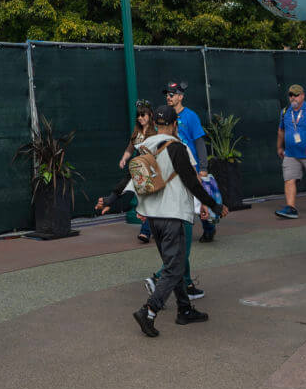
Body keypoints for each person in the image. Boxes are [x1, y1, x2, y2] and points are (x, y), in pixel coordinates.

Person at [97, 106, 227, 337]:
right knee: (175, 267)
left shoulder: (145, 146)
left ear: (156, 124)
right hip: (173, 215)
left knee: (172, 265)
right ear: (175, 124)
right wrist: (214, 205)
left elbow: (130, 177)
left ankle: (185, 310)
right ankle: (149, 310)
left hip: (153, 218)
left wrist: (111, 198)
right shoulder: (177, 147)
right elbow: (192, 183)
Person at [163, 81, 220, 242]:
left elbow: (199, 142)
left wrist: (203, 168)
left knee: (198, 199)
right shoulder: (165, 116)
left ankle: (209, 228)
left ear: (181, 97)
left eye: (172, 95)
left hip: (192, 167)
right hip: (172, 166)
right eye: (167, 94)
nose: (168, 97)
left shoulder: (191, 116)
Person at [275, 83, 306, 219]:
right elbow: (281, 130)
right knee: (289, 179)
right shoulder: (285, 112)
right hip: (290, 153)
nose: (293, 98)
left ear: (302, 95)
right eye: (291, 95)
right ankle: (291, 208)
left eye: (296, 95)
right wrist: (279, 147)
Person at [121, 100, 154, 243]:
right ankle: (146, 231)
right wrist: (124, 159)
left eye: (143, 115)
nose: (140, 118)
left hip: (155, 172)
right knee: (148, 202)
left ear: (150, 115)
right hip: (142, 173)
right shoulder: (137, 133)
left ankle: (147, 231)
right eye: (138, 115)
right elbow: (130, 148)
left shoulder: (157, 132)